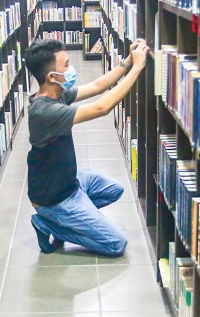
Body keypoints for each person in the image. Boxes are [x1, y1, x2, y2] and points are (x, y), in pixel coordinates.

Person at [23, 36, 150, 256]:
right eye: (66, 65)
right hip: (53, 199)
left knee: (114, 189)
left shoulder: (57, 94)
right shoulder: (44, 111)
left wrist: (128, 61)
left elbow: (97, 86)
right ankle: (51, 225)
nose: (71, 68)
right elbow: (102, 107)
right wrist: (137, 68)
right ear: (52, 76)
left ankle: (72, 218)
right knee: (116, 244)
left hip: (70, 182)